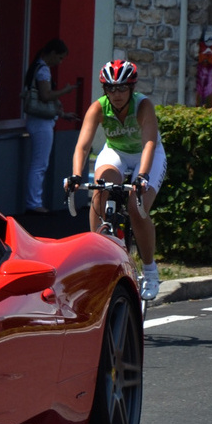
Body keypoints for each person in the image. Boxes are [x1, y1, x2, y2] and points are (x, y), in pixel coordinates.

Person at [65, 59, 167, 301]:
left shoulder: (142, 106)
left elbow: (149, 143)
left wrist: (142, 176)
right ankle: (96, 259)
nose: (117, 94)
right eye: (111, 89)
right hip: (117, 153)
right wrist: (77, 175)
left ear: (131, 89)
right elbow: (83, 145)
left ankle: (151, 271)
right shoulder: (99, 108)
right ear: (105, 91)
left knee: (136, 206)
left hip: (146, 154)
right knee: (100, 191)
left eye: (122, 88)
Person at [23, 39, 79, 213]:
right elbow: (46, 96)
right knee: (40, 164)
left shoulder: (36, 67)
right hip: (41, 123)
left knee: (39, 163)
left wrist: (62, 114)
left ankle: (34, 201)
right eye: (60, 58)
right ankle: (34, 203)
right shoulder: (43, 70)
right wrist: (66, 90)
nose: (59, 62)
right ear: (53, 53)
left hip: (37, 120)